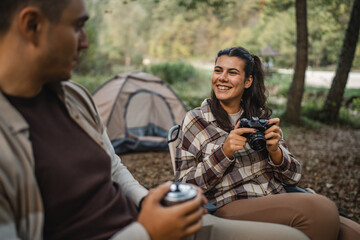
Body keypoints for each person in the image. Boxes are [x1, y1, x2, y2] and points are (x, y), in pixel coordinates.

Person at [0, 1, 312, 240]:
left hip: (157, 220)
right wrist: (146, 232)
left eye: (233, 72)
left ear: (248, 82)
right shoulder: (6, 136)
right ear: (32, 26)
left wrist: (152, 201)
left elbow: (114, 169)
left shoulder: (75, 98)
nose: (85, 42)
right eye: (77, 26)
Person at [174, 46, 360, 240]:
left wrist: (275, 152)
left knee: (354, 232)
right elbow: (183, 185)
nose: (222, 78)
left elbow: (294, 177)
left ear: (248, 81)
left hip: (275, 198)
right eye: (218, 70)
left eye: (232, 72)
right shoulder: (196, 120)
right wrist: (224, 152)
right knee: (323, 209)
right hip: (228, 207)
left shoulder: (259, 116)